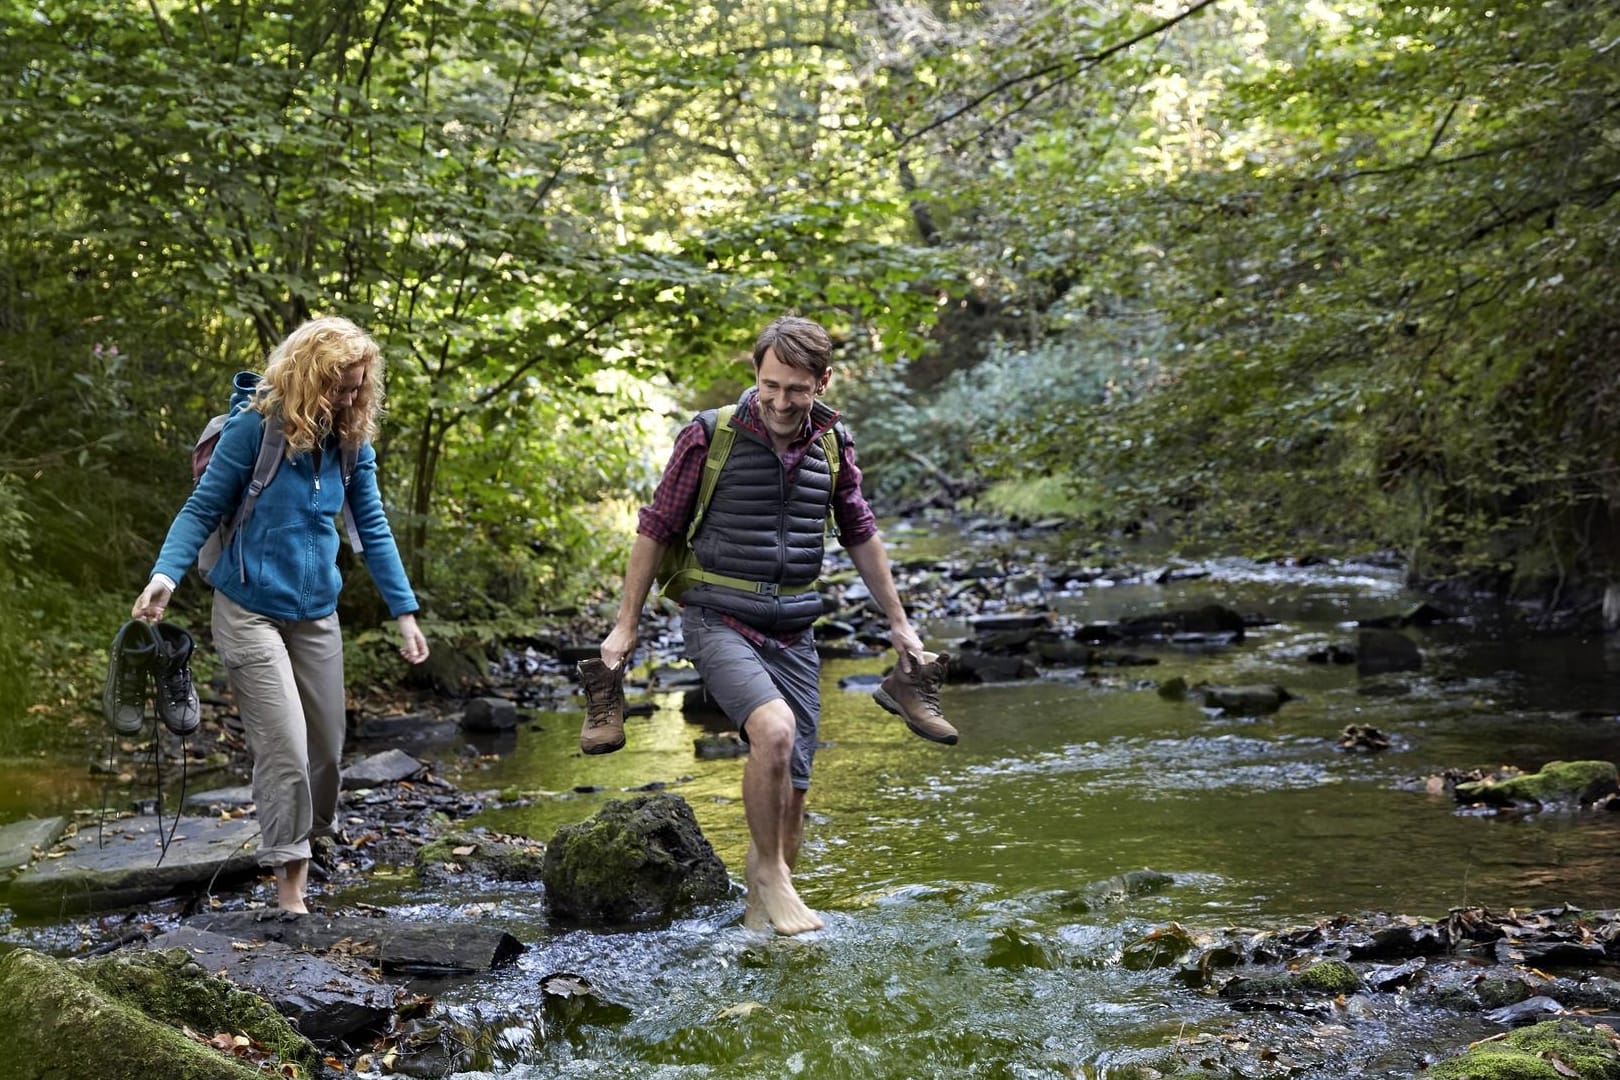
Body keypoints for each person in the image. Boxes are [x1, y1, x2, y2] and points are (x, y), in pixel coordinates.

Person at [594, 314, 956, 936]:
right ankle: (768, 876)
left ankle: (760, 929)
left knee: (795, 789)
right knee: (774, 729)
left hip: (794, 630)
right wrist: (625, 627)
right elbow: (655, 527)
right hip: (718, 616)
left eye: (796, 389)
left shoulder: (834, 445)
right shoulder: (710, 437)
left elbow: (861, 532)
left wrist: (901, 626)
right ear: (755, 376)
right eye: (770, 386)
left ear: (822, 381)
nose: (781, 402)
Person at [130, 315, 429, 913]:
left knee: (326, 751)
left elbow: (372, 525)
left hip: (317, 613)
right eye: (340, 386)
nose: (350, 398)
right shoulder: (252, 431)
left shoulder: (350, 443)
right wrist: (165, 577)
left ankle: (310, 836)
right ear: (307, 378)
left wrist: (405, 612)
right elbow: (201, 508)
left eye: (358, 387)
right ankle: (290, 883)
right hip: (248, 610)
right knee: (285, 748)